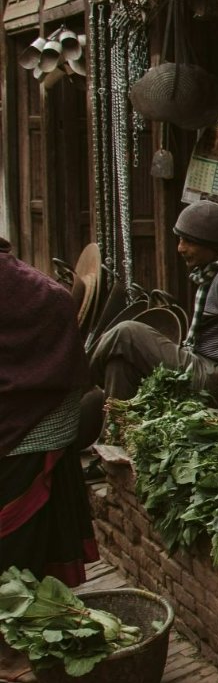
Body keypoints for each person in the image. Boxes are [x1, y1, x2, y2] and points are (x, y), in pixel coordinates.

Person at [1, 238, 99, 597]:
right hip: (34, 429)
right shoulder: (46, 294)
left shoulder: (40, 294)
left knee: (18, 562)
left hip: (31, 435)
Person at [90, 201, 218, 409]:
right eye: (180, 240)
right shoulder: (211, 273)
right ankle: (116, 432)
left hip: (212, 375)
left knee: (126, 332)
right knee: (119, 366)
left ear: (211, 245)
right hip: (202, 366)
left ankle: (78, 385)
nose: (180, 248)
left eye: (189, 242)